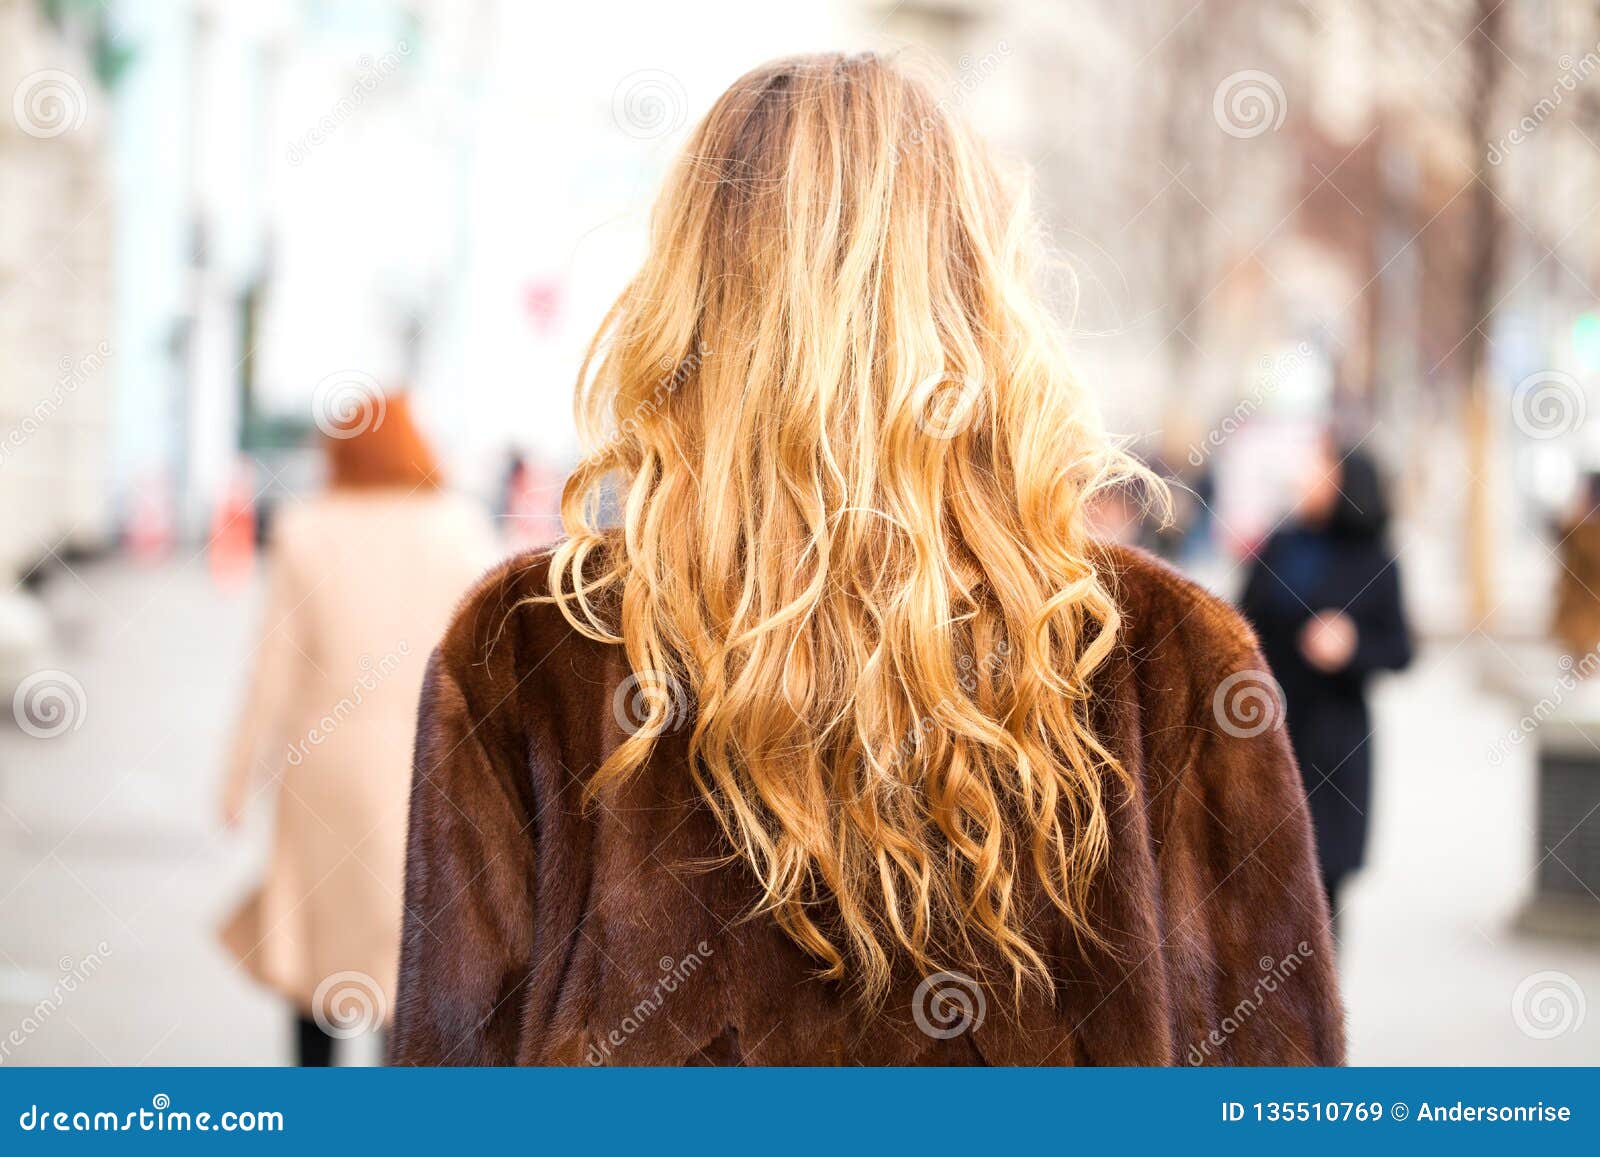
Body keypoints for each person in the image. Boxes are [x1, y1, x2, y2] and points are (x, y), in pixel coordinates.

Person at [390, 53, 1343, 1066]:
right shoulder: (1166, 656)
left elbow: (452, 1064)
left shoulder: (531, 648)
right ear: (983, 292)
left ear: (691, 292)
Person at [220, 394, 499, 1065]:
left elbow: (275, 665)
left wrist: (235, 777)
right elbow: (490, 656)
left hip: (326, 767)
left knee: (317, 951)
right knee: (405, 952)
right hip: (428, 762)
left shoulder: (307, 529)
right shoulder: (457, 527)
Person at [1240, 441, 1412, 932]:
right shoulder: (1282, 543)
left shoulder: (1374, 558)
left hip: (1336, 743)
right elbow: (1239, 620)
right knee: (1263, 876)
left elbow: (1400, 650)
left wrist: (1351, 647)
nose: (1305, 477)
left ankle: (1319, 1002)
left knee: (1323, 881)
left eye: (1321, 468)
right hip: (1268, 730)